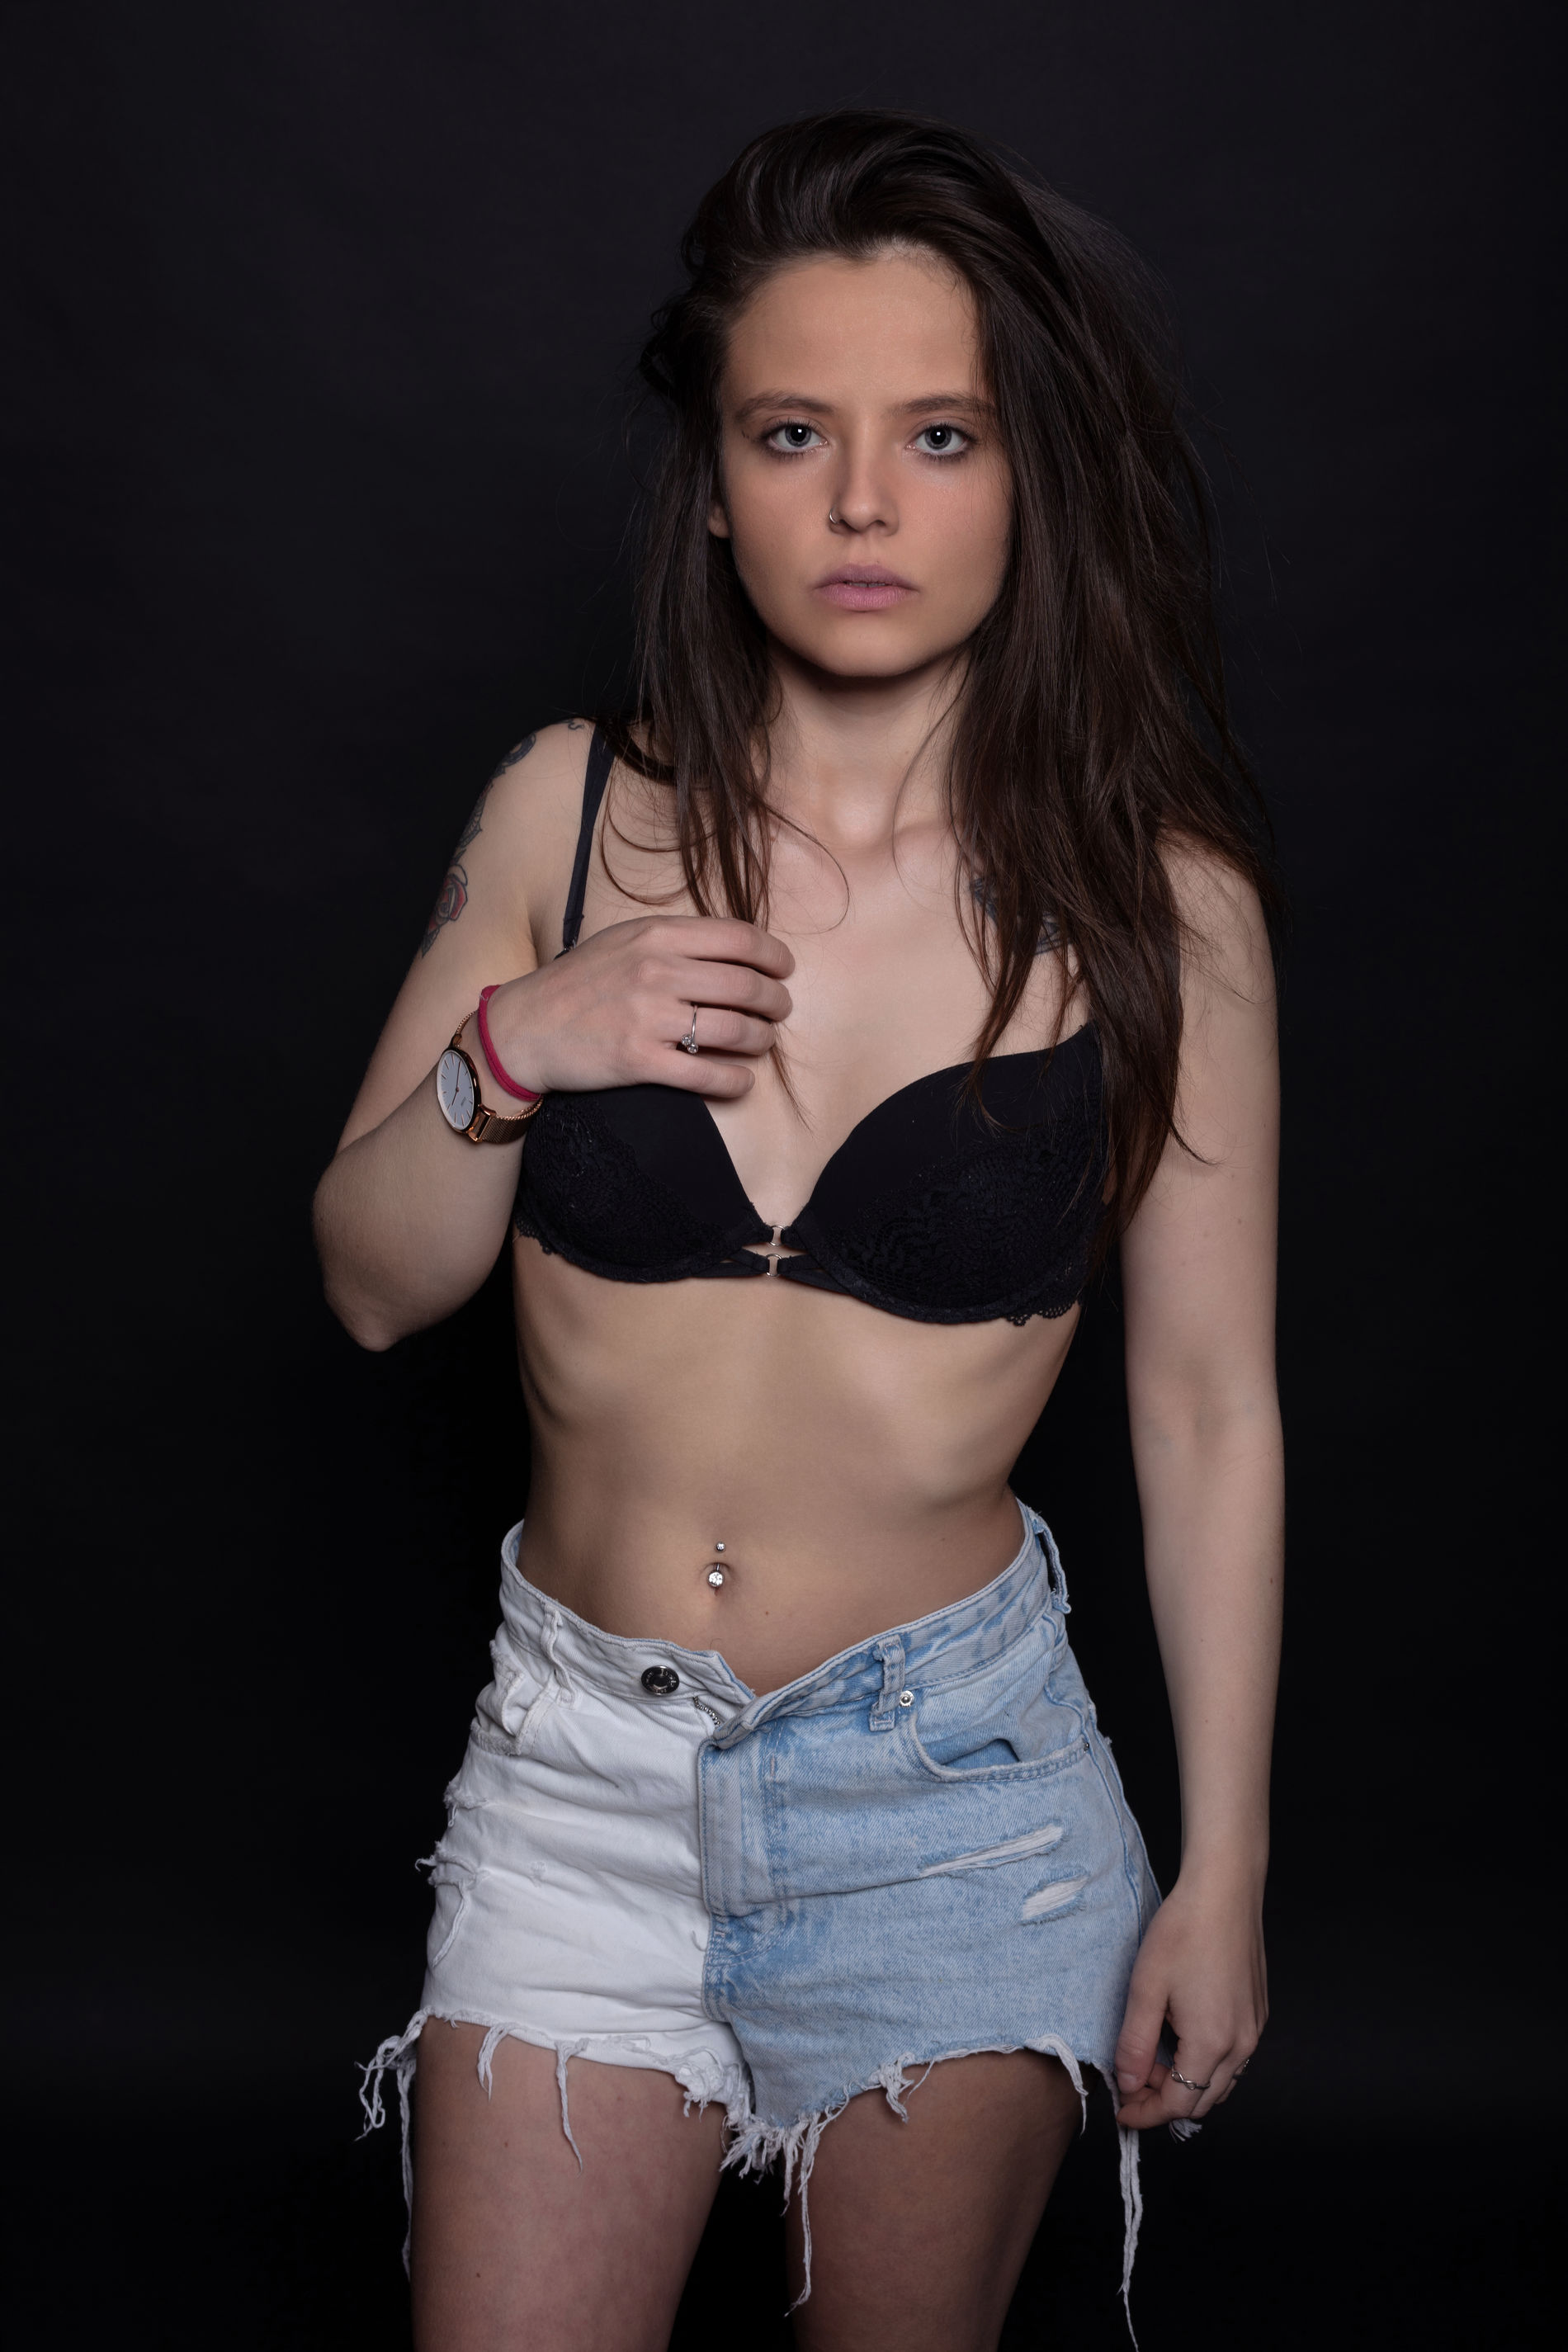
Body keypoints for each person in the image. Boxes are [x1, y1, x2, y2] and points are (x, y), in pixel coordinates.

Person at [316, 109, 1282, 2352]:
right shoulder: (565, 811)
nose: (861, 502)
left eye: (938, 434)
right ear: (714, 477)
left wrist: (1224, 1869)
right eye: (791, 433)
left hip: (953, 1807)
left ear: (1027, 477)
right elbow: (370, 1284)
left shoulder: (1158, 910)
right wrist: (517, 1044)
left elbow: (1206, 1407)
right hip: (579, 1788)